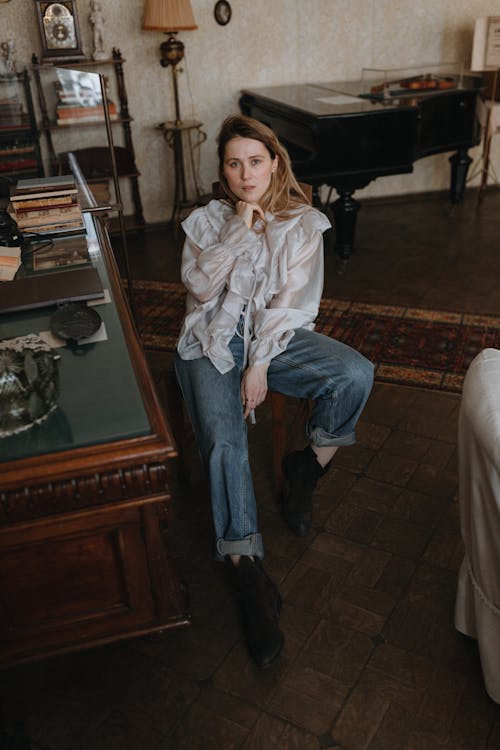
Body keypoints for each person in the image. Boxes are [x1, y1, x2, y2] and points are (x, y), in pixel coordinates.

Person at [174, 114, 374, 669]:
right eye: (234, 164)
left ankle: (307, 467)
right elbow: (199, 288)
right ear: (223, 171)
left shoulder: (303, 223)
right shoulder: (206, 221)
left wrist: (259, 364)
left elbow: (291, 304)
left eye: (255, 161)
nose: (245, 174)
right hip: (209, 342)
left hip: (274, 338)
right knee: (223, 440)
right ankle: (248, 573)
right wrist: (238, 227)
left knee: (354, 373)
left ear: (275, 162)